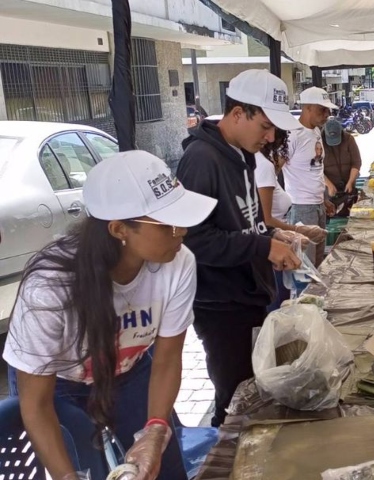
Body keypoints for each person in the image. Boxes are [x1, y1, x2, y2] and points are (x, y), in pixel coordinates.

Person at [3, 151, 218, 480]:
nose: (182, 232)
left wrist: (157, 430)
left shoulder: (178, 263)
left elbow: (166, 359)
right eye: (169, 225)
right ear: (119, 229)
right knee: (87, 469)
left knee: (165, 467)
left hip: (131, 373)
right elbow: (36, 404)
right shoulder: (49, 287)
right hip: (60, 387)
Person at [176, 68, 303, 427]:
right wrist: (259, 247)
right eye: (264, 125)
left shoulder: (243, 154)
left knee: (252, 390)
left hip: (248, 296)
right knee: (233, 399)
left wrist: (272, 238)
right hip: (220, 304)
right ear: (236, 114)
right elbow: (193, 238)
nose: (270, 136)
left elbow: (245, 221)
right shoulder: (202, 158)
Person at [255, 128, 328, 311]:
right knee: (278, 307)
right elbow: (266, 220)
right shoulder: (263, 167)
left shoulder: (263, 166)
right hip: (272, 251)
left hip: (276, 245)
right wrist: (298, 231)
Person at [283, 86, 339, 267]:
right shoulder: (292, 135)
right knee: (304, 265)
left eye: (328, 110)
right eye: (322, 109)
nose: (327, 114)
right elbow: (274, 169)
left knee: (317, 262)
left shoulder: (315, 132)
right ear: (307, 108)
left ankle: (315, 295)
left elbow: (315, 167)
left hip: (317, 205)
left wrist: (322, 199)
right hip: (301, 207)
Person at [322, 117, 362, 216]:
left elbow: (356, 163)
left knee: (348, 213)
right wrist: (329, 185)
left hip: (347, 185)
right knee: (330, 213)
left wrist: (350, 182)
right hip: (328, 188)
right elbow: (316, 169)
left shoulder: (349, 139)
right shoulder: (319, 142)